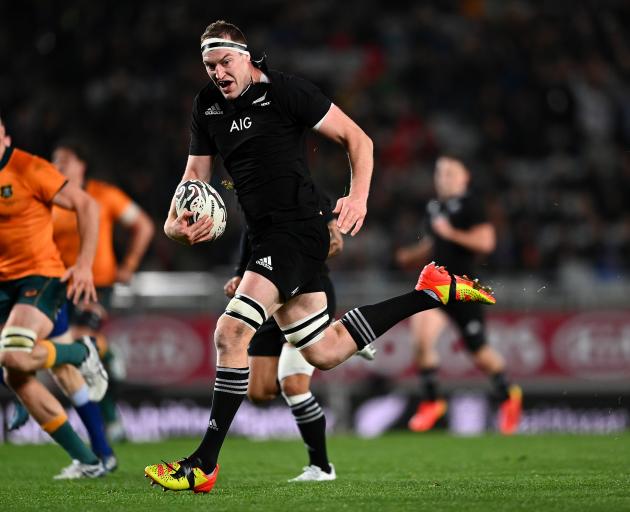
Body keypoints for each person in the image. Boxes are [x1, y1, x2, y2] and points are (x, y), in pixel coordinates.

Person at [144, 20, 495, 494]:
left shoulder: (287, 92)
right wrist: (174, 226)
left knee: (230, 334)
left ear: (246, 57)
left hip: (298, 231)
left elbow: (360, 141)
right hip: (267, 235)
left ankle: (202, 463)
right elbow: (194, 178)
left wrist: (358, 197)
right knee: (323, 352)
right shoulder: (206, 106)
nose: (218, 74)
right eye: (210, 66)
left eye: (225, 62)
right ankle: (429, 292)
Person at [226, 192, 375, 482]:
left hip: (305, 293)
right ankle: (339, 335)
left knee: (293, 385)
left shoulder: (307, 193)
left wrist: (295, 253)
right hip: (268, 296)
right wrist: (239, 273)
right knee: (259, 393)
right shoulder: (253, 193)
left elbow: (335, 244)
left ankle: (321, 467)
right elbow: (251, 234)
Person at [0, 113, 109, 478]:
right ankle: (90, 460)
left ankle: (82, 351)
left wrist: (83, 265)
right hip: (3, 288)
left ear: (5, 136)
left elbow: (87, 205)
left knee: (14, 357)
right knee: (17, 373)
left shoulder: (29, 168)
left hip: (40, 279)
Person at [396, 156, 522, 435]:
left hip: (464, 289)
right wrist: (412, 255)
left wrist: (451, 232)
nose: (444, 177)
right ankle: (432, 401)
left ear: (465, 177)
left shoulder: (471, 204)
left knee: (479, 352)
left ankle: (508, 396)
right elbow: (434, 242)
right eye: (440, 172)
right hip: (437, 286)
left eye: (451, 172)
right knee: (420, 337)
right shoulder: (434, 207)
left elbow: (486, 241)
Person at [51, 139, 155, 441]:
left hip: (97, 284)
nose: (59, 165)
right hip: (59, 287)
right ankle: (108, 361)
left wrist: (130, 264)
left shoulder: (104, 195)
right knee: (81, 357)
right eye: (55, 160)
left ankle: (108, 421)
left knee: (83, 340)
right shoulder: (51, 199)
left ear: (82, 164)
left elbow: (144, 226)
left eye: (66, 159)